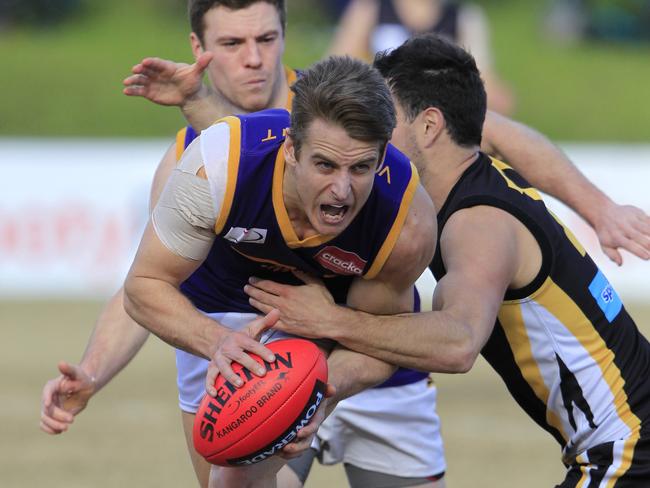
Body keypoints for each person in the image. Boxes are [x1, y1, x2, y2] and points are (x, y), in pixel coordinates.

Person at [40, 0, 650, 486]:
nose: (253, 58)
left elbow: (489, 132)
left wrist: (598, 208)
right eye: (231, 44)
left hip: (373, 349)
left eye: (266, 40)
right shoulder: (207, 164)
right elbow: (145, 284)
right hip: (259, 353)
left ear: (286, 38)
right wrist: (92, 372)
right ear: (199, 50)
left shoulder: (363, 120)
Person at [244, 34, 650, 486]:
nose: (369, 129)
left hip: (629, 450)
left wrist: (331, 320)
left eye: (384, 115)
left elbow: (458, 344)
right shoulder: (472, 164)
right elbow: (502, 131)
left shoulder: (477, 223)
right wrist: (600, 209)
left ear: (429, 126)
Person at [123, 54, 437, 487]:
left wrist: (317, 393)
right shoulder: (219, 163)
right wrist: (217, 342)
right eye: (325, 164)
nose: (342, 190)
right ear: (291, 149)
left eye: (361, 167)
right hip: (228, 306)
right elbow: (143, 286)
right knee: (229, 482)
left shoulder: (407, 221)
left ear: (383, 155)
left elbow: (382, 341)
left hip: (346, 320)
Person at [328, 0, 515, 115]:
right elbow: (337, 67)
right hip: (379, 111)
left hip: (438, 116)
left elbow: (484, 81)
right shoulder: (371, 9)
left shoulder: (463, 18)